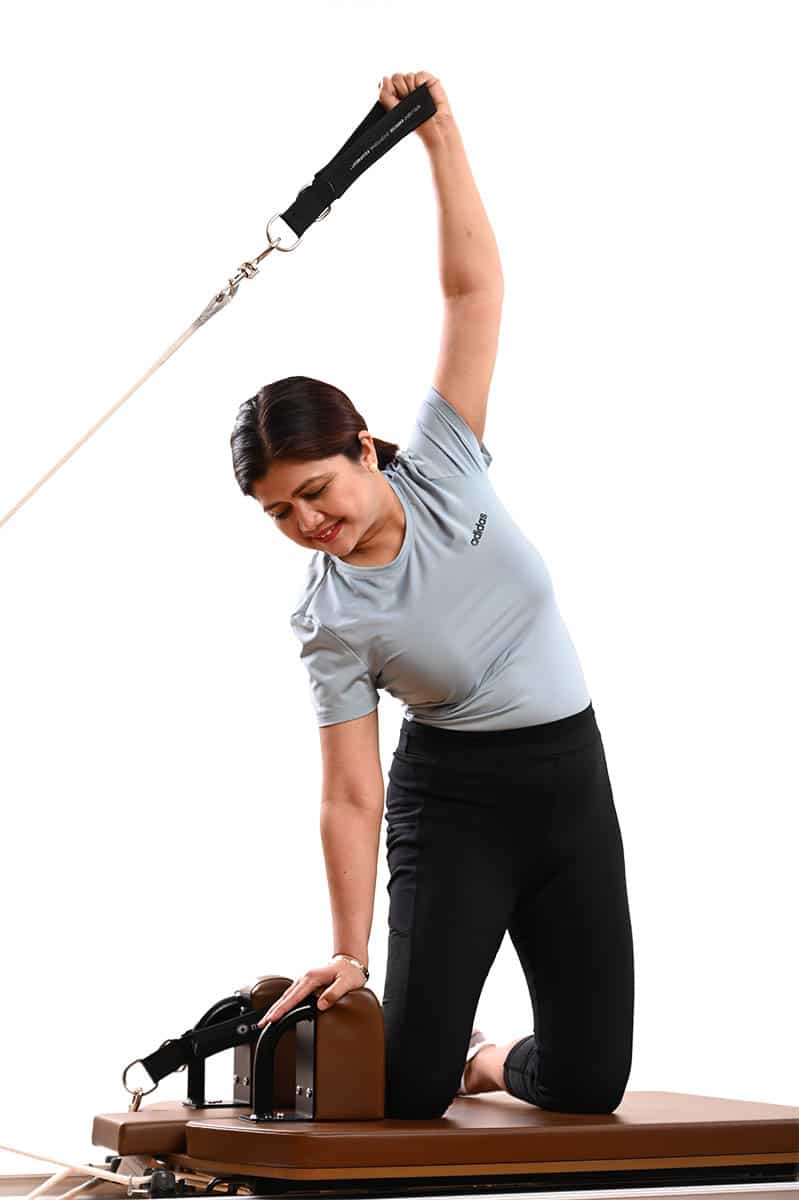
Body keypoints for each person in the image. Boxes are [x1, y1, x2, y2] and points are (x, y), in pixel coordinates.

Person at [229, 71, 634, 1120]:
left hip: (570, 780)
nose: (306, 523)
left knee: (588, 1085)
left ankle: (486, 1058)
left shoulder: (446, 460)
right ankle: (443, 1054)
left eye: (313, 490)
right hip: (455, 807)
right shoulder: (327, 620)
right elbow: (352, 793)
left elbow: (473, 292)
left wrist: (439, 137)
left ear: (363, 446)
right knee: (403, 1092)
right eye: (278, 514)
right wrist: (348, 950)